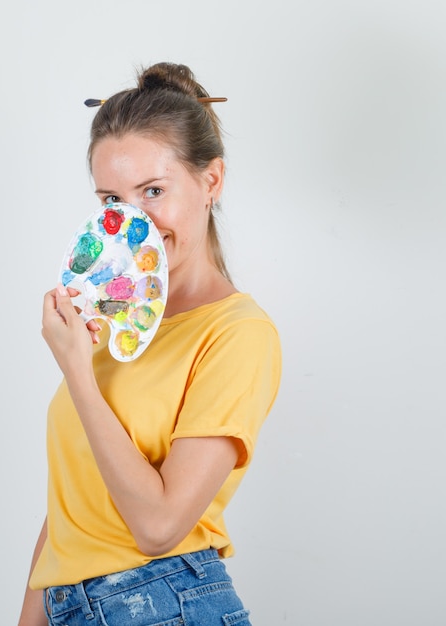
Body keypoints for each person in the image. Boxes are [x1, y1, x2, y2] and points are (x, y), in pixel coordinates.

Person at [18, 62, 281, 626]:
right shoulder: (116, 323)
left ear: (211, 181)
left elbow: (159, 527)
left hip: (165, 605)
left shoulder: (237, 334)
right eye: (112, 200)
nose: (132, 223)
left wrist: (78, 375)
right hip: (73, 606)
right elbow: (74, 505)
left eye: (153, 191)